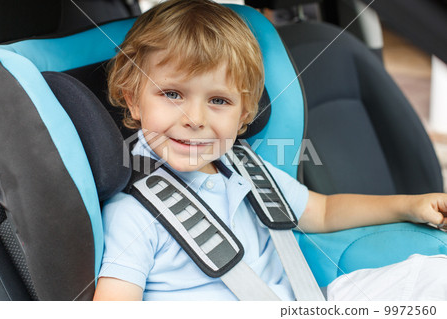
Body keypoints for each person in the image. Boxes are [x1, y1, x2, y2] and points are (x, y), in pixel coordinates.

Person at [93, 0, 447, 301]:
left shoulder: (245, 166)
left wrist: (409, 205)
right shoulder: (134, 215)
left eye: (218, 100)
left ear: (244, 114)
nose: (194, 118)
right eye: (172, 94)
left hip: (307, 298)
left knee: (432, 275)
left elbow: (322, 211)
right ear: (132, 99)